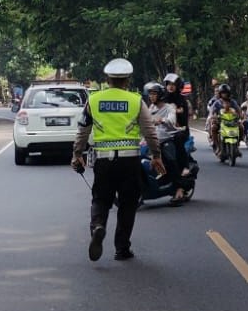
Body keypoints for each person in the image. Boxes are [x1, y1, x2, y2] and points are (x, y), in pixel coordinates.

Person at [73, 59, 165, 261]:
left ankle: (98, 226)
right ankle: (122, 248)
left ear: (107, 79)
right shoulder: (135, 100)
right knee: (127, 204)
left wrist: (77, 154)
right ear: (127, 80)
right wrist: (156, 155)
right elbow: (150, 130)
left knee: (100, 199)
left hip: (103, 161)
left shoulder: (94, 99)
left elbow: (83, 129)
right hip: (129, 161)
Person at [145, 82, 187, 206]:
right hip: (153, 140)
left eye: (154, 94)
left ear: (160, 95)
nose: (151, 97)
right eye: (150, 94)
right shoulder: (150, 108)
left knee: (170, 160)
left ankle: (179, 189)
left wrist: (162, 120)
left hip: (167, 139)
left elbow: (172, 120)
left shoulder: (169, 108)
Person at [162, 73, 191, 174]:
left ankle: (184, 166)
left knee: (177, 139)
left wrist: (177, 111)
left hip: (179, 129)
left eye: (173, 84)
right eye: (168, 84)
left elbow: (183, 117)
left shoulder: (182, 100)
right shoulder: (163, 99)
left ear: (178, 86)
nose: (170, 86)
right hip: (163, 129)